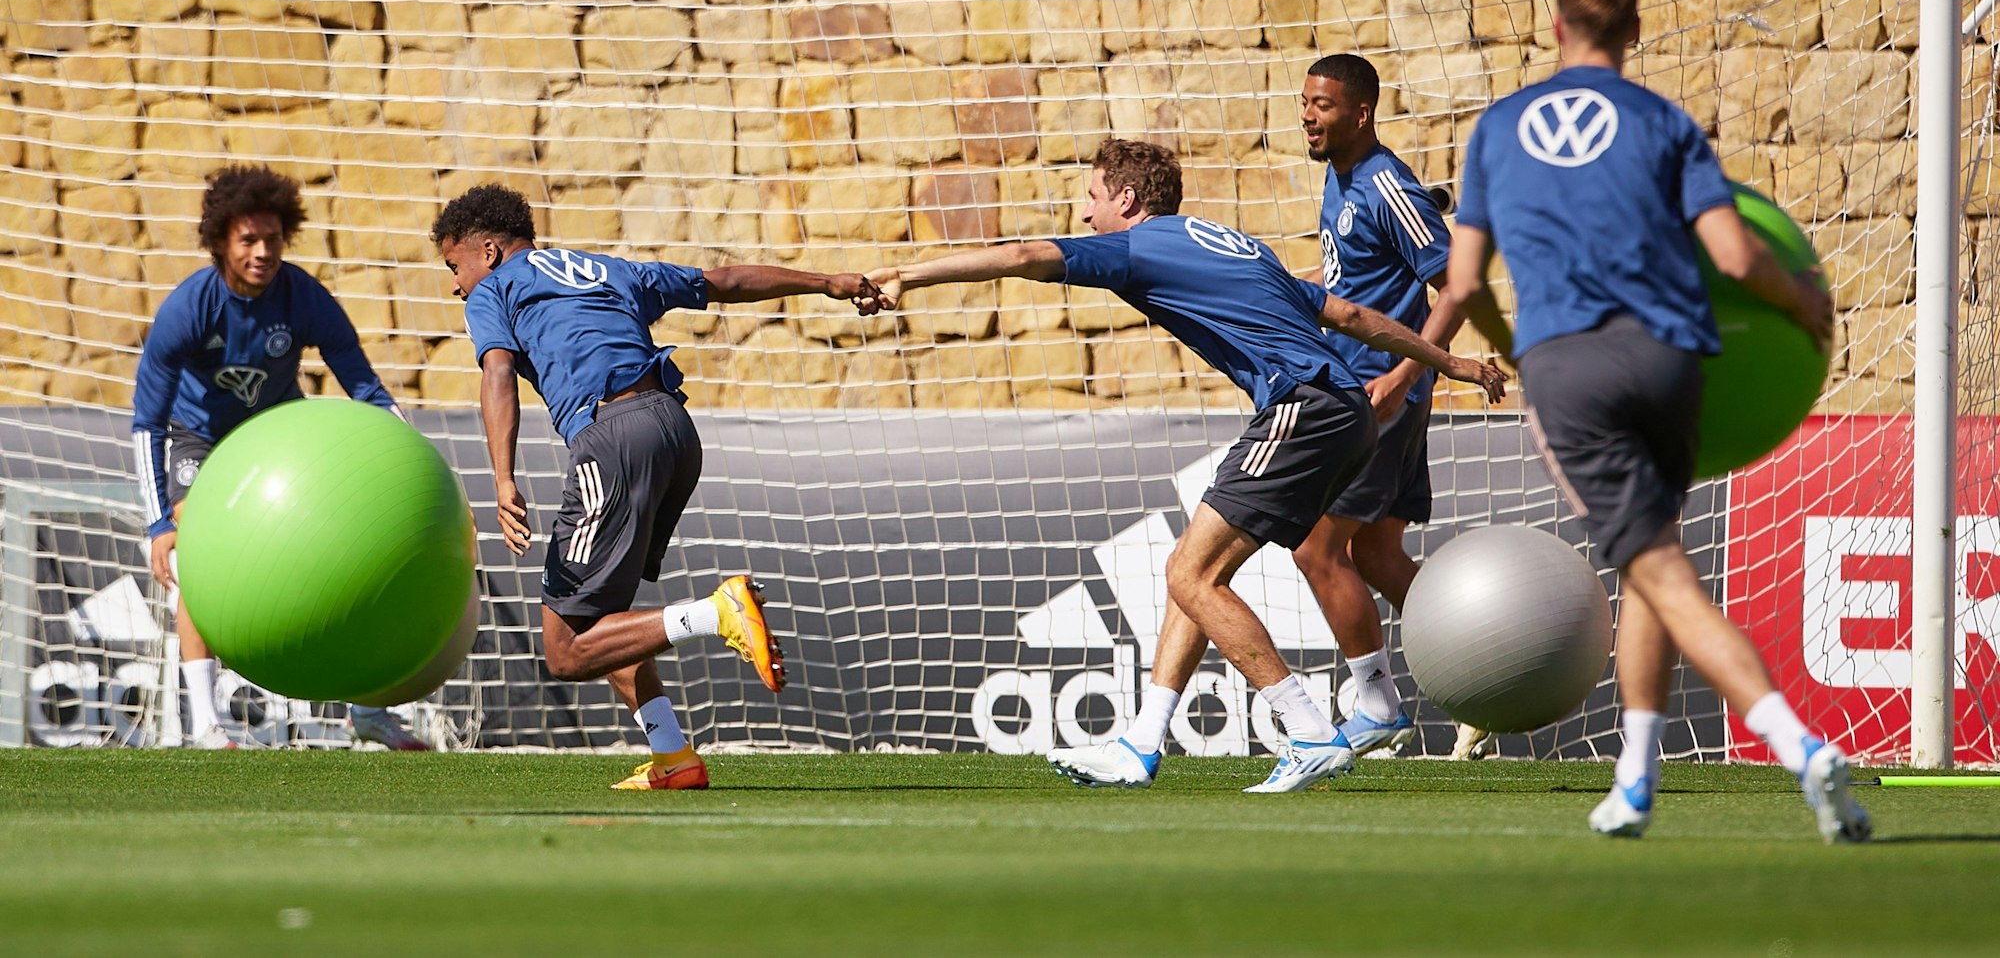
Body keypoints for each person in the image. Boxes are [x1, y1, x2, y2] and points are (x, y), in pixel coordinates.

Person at [868, 140, 1506, 792]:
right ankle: (1142, 742)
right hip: (1347, 413)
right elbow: (1347, 313)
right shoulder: (1234, 242)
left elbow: (1024, 255)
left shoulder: (1135, 248)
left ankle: (1307, 728)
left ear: (1127, 199)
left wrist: (909, 276)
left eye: (1091, 199)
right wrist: (1448, 361)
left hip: (1304, 405)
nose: (1085, 216)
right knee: (1193, 571)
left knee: (1191, 574)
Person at [1445, 0, 1868, 843]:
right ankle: (1634, 779)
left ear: (1556, 27)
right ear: (1633, 32)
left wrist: (1516, 354)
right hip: (1673, 363)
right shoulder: (1665, 123)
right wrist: (1809, 305)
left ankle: (1800, 746)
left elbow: (1464, 283)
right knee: (1651, 561)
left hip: (1572, 368)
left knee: (1663, 573)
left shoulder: (1497, 129)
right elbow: (1738, 256)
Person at [1046, 57, 1480, 789]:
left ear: (1362, 111)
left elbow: (1455, 282)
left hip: (1355, 392)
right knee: (1359, 554)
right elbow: (1346, 292)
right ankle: (1475, 660)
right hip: (1347, 386)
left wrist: (1410, 373)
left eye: (1323, 104)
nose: (1308, 115)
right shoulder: (1340, 179)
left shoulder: (1381, 182)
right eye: (1304, 102)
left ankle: (1363, 707)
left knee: (1293, 553)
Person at [431, 184, 881, 790]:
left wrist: (504, 478)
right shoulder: (612, 270)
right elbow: (724, 281)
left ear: (487, 250)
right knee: (605, 616)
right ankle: (673, 755)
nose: (457, 284)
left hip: (615, 438)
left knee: (566, 649)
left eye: (454, 265)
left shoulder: (496, 288)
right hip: (674, 429)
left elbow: (498, 374)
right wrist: (825, 282)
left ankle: (713, 613)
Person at [134, 165, 429, 752]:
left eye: (272, 238)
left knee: (354, 546)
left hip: (283, 434)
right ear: (220, 242)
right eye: (249, 239)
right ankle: (206, 725)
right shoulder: (186, 310)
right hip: (201, 443)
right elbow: (147, 424)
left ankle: (369, 709)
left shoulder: (304, 297)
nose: (263, 251)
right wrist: (159, 523)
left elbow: (365, 389)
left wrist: (422, 467)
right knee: (196, 554)